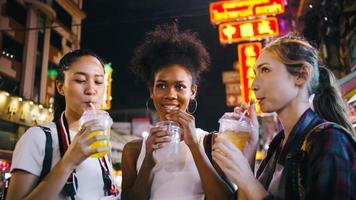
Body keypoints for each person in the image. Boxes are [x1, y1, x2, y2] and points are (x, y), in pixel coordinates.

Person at [212, 33, 356, 200]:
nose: (253, 85)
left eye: (265, 70)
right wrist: (249, 157)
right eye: (255, 74)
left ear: (301, 76)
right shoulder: (278, 145)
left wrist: (248, 180)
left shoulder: (329, 140)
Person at [121, 23, 236, 200]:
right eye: (161, 86)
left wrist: (194, 146)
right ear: (151, 91)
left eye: (180, 86)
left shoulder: (212, 143)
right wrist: (148, 162)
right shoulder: (134, 149)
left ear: (193, 92)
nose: (170, 95)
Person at [6, 49, 118, 200]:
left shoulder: (101, 142)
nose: (91, 90)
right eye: (80, 80)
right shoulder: (38, 138)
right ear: (60, 87)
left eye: (98, 82)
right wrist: (69, 161)